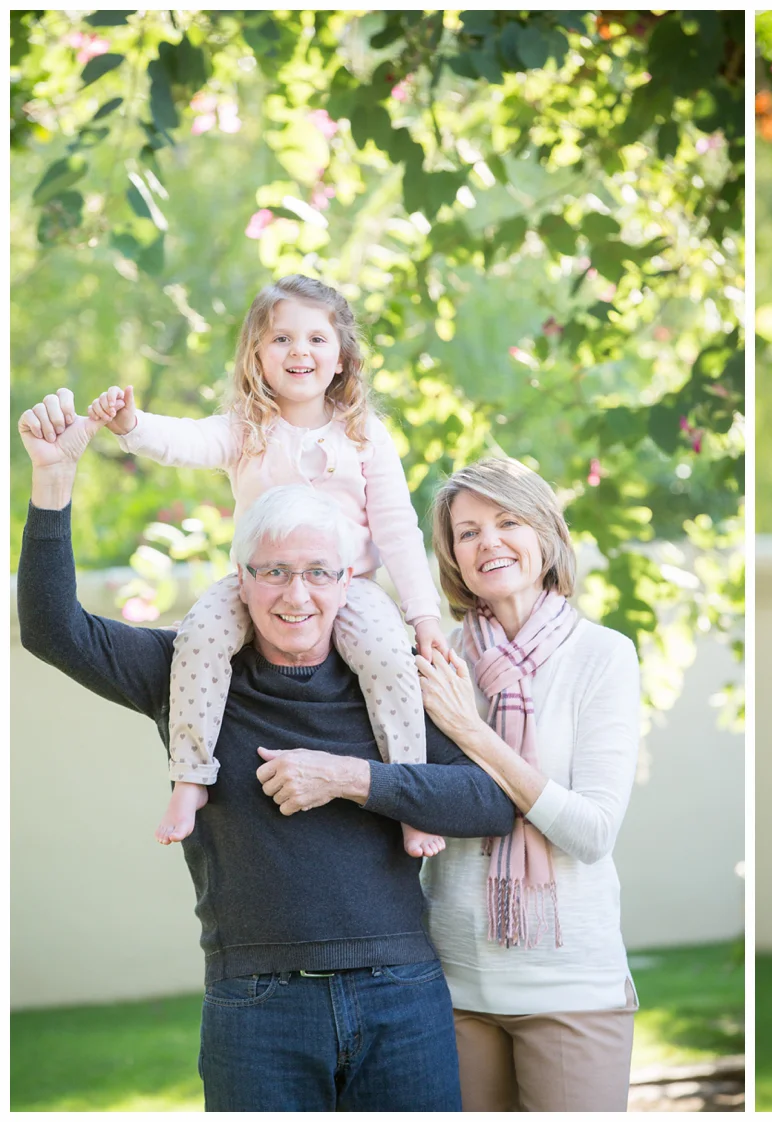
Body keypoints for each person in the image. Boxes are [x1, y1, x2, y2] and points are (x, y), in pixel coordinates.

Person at [16, 392, 517, 1112]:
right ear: (239, 582)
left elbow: (491, 799)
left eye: (318, 572)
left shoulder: (391, 680)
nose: (297, 594)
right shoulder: (189, 671)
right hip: (256, 1005)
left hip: (400, 993)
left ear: (348, 583)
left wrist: (351, 778)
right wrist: (54, 482)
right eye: (273, 572)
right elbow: (53, 631)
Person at [87, 273, 446, 857]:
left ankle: (410, 796)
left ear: (342, 357)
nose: (298, 351)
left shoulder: (365, 436)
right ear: (256, 355)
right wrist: (131, 424)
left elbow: (398, 530)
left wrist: (424, 618)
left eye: (315, 340)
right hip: (255, 586)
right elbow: (184, 441)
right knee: (198, 637)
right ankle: (190, 777)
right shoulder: (246, 429)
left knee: (387, 657)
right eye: (280, 339)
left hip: (347, 588)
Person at [413, 457, 644, 1111]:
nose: (488, 542)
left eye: (508, 521)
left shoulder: (604, 656)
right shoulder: (438, 661)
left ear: (546, 534)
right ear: (452, 557)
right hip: (454, 988)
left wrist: (473, 732)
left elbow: (592, 832)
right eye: (467, 531)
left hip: (571, 992)